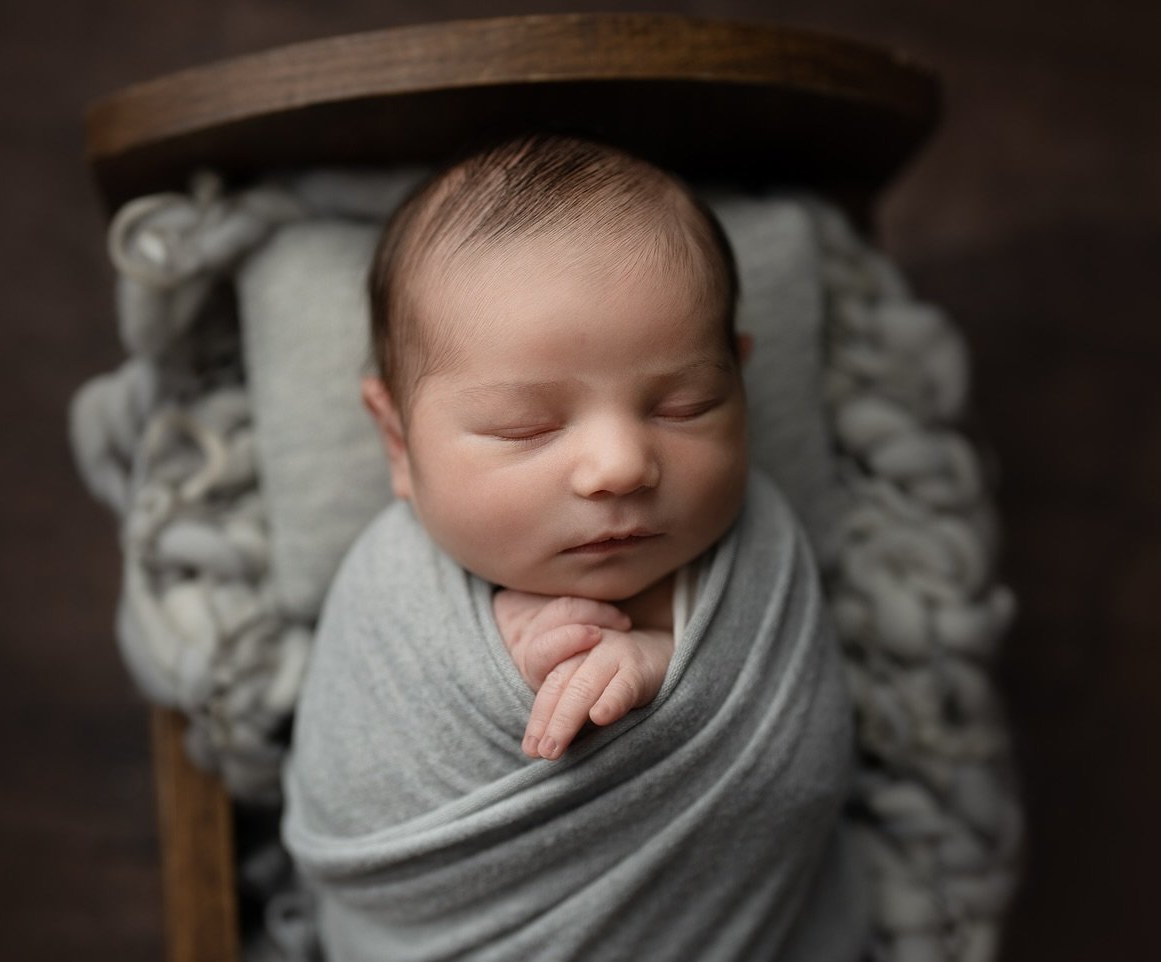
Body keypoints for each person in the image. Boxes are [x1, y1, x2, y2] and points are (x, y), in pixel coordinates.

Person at [283, 131, 865, 961]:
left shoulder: (759, 551)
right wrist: (497, 664)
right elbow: (355, 789)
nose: (622, 465)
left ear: (740, 379)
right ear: (398, 442)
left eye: (686, 404)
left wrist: (670, 674)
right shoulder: (388, 591)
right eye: (528, 426)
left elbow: (798, 766)